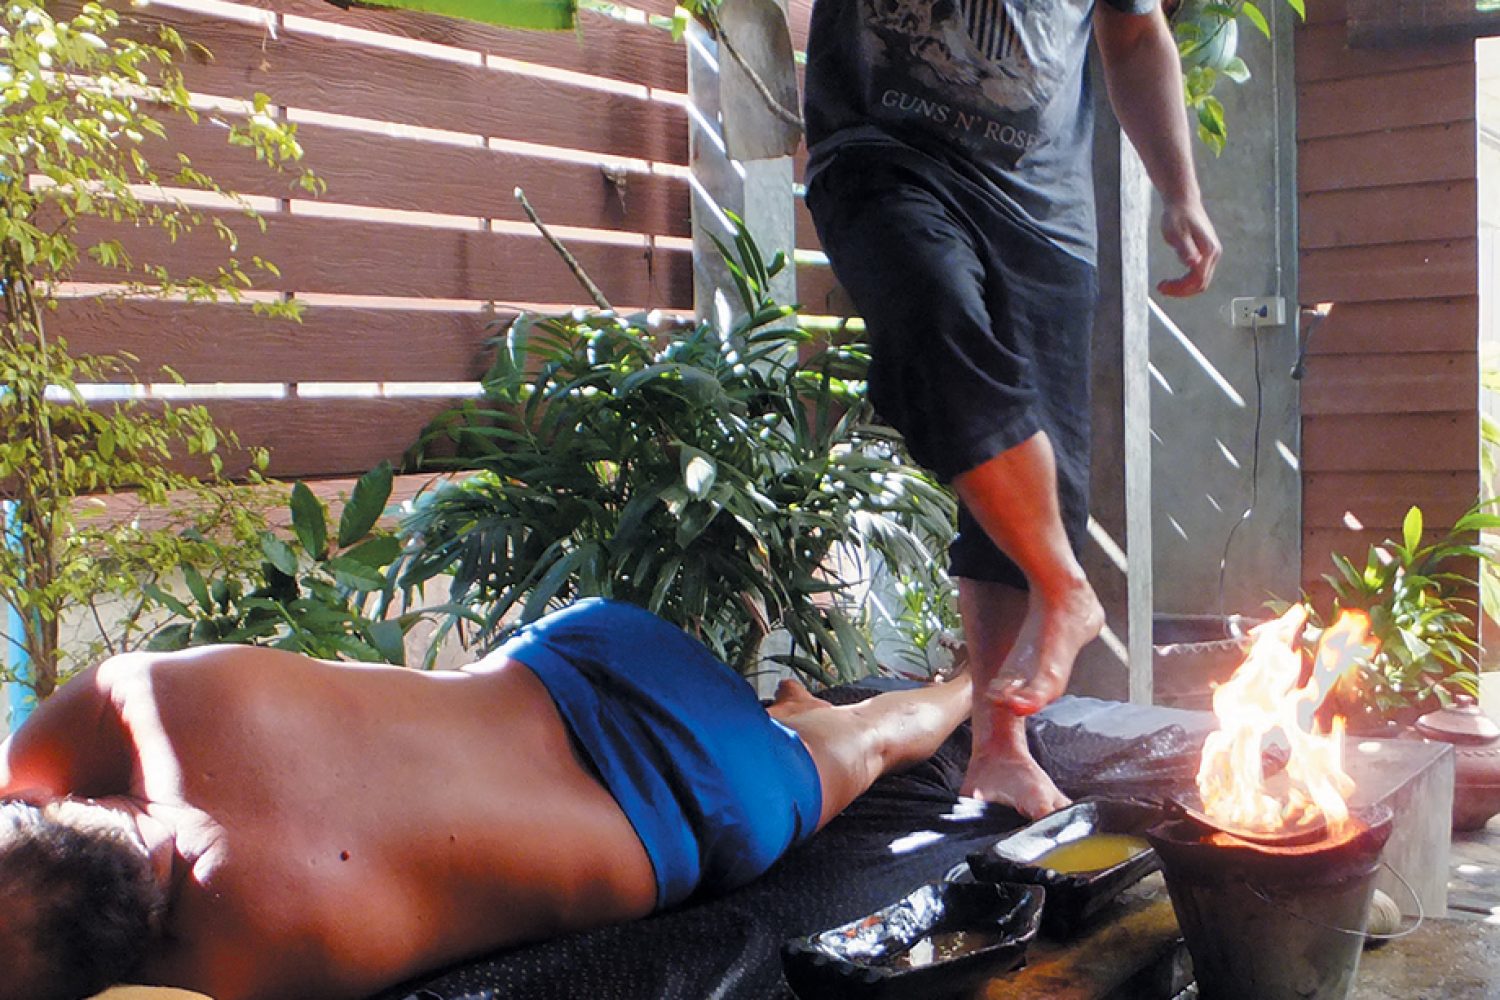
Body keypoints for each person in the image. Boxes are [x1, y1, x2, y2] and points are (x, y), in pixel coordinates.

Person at [0, 598, 974, 1000]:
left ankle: (973, 687)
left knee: (877, 738)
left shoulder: (235, 955)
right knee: (825, 726)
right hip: (587, 652)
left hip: (698, 804)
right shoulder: (135, 697)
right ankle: (847, 703)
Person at [802, 0, 1221, 817]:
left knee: (1034, 473)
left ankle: (1000, 749)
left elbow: (1135, 32)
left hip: (1043, 213)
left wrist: (1181, 191)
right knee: (934, 318)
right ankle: (1065, 587)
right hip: (884, 156)